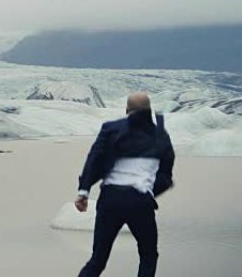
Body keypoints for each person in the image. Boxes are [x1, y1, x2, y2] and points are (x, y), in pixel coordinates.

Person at [75, 92, 175, 277]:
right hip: (139, 201)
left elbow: (94, 159)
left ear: (127, 110)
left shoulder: (110, 129)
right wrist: (150, 193)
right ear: (149, 111)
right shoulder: (160, 136)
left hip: (110, 199)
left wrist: (84, 191)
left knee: (98, 259)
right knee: (148, 255)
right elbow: (166, 176)